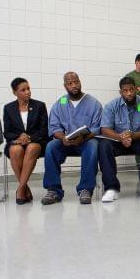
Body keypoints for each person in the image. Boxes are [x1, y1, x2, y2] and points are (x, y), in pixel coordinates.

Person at [42, 72, 103, 205]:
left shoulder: (93, 103)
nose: (74, 85)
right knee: (50, 147)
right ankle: (53, 190)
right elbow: (53, 127)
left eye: (76, 82)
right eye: (70, 83)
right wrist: (63, 137)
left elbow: (98, 127)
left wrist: (84, 137)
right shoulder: (60, 103)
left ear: (80, 82)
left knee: (93, 146)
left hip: (86, 141)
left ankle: (85, 189)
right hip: (66, 141)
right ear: (65, 86)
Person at [98, 77, 140, 202]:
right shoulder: (111, 106)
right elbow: (105, 129)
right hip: (118, 140)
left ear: (136, 89)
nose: (129, 93)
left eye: (131, 89)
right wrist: (120, 137)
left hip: (139, 139)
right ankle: (111, 188)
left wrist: (133, 135)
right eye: (125, 91)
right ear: (120, 92)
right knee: (103, 145)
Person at [2, 78, 48, 204]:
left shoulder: (39, 106)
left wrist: (29, 138)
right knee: (15, 150)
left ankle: (20, 189)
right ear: (15, 92)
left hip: (37, 142)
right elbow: (7, 132)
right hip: (17, 142)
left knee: (32, 147)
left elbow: (44, 130)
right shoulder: (8, 108)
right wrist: (19, 137)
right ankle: (25, 188)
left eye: (28, 88)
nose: (28, 92)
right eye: (23, 90)